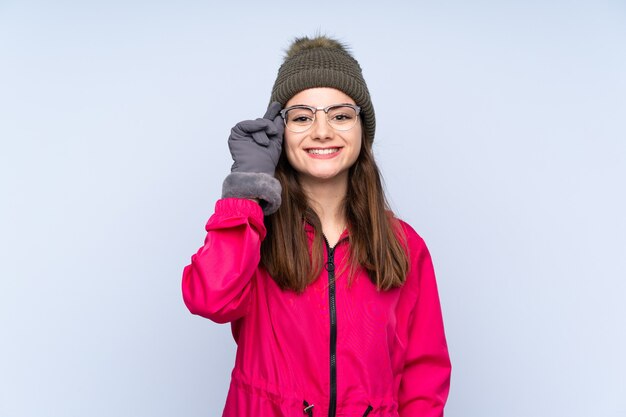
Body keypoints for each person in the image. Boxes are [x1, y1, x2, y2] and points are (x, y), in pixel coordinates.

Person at [182, 35, 451, 417]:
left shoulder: (404, 245)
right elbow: (210, 298)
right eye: (303, 117)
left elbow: (424, 376)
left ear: (362, 131)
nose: (322, 131)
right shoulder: (254, 232)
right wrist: (246, 188)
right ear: (280, 132)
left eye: (340, 115)